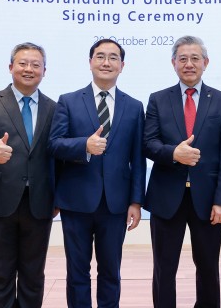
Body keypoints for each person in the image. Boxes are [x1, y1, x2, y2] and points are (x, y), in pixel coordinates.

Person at [48, 39, 146, 308]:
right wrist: (84, 146)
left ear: (122, 66)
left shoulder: (135, 106)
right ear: (90, 62)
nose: (106, 62)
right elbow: (54, 145)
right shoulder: (68, 101)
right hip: (76, 201)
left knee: (111, 272)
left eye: (113, 58)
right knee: (77, 272)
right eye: (100, 56)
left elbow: (138, 158)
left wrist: (136, 201)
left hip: (115, 204)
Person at [143, 35, 221, 308]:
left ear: (205, 63)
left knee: (208, 267)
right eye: (182, 58)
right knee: (164, 268)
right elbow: (148, 144)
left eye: (195, 58)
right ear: (173, 63)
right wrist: (174, 153)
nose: (189, 64)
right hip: (166, 198)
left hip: (208, 200)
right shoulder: (158, 99)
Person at [0, 42, 57, 308]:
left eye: (35, 65)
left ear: (44, 71)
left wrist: (59, 197)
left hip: (39, 202)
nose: (29, 69)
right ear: (11, 67)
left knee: (33, 273)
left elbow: (57, 154)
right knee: (0, 272)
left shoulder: (54, 107)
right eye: (23, 63)